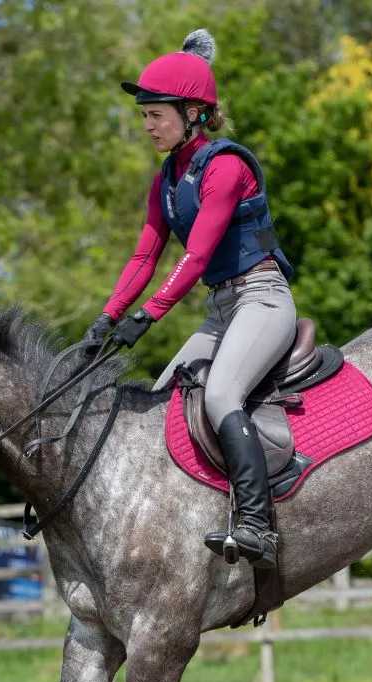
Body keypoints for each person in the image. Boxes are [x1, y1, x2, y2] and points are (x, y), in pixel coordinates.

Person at [82, 29, 296, 570]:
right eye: (145, 116)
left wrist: (147, 316)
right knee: (160, 403)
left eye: (156, 114)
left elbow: (195, 257)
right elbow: (143, 258)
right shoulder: (168, 178)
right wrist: (104, 320)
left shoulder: (226, 168)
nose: (148, 125)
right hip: (221, 311)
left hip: (262, 300)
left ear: (194, 112)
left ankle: (256, 524)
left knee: (221, 396)